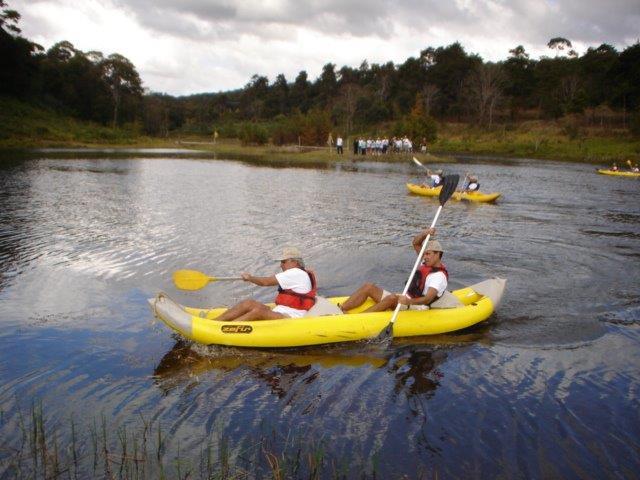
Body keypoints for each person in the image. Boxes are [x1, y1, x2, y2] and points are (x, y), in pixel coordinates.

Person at [339, 228, 448, 313]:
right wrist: (425, 233)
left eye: (428, 254)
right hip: (408, 299)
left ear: (438, 254)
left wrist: (408, 301)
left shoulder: (438, 277)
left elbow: (427, 299)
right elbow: (415, 243)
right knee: (369, 287)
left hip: (419, 307)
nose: (424, 256)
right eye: (424, 254)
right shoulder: (426, 262)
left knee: (392, 298)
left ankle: (360, 319)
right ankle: (340, 309)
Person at [215, 247, 317, 322]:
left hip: (292, 317)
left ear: (295, 262)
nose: (281, 265)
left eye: (283, 261)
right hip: (280, 312)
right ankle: (214, 322)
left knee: (258, 311)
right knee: (248, 303)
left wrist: (250, 278)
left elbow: (265, 282)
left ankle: (224, 330)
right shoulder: (300, 273)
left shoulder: (295, 273)